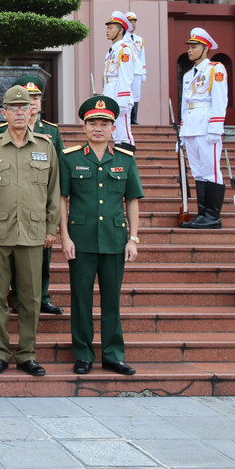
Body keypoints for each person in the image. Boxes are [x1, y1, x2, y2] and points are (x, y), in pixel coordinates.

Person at [59, 96, 143, 376]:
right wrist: (65, 237)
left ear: (113, 128)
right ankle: (83, 354)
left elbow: (132, 200)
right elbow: (61, 198)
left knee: (112, 300)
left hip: (114, 239)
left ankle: (113, 355)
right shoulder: (70, 158)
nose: (98, 128)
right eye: (92, 123)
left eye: (104, 123)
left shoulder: (125, 159)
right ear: (84, 127)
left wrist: (134, 238)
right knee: (81, 299)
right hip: (81, 240)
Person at [0, 85, 59, 377]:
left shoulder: (45, 146)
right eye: (13, 109)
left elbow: (54, 192)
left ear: (32, 111)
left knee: (30, 298)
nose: (19, 113)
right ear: (3, 113)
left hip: (32, 233)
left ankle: (27, 353)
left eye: (24, 108)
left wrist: (51, 229)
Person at [0, 75, 65, 315]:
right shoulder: (0, 132)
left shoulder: (51, 133)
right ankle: (17, 296)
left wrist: (53, 218)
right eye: (27, 99)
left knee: (42, 260)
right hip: (9, 210)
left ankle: (42, 295)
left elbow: (57, 172)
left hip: (38, 206)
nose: (32, 103)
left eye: (35, 98)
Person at [180, 27, 229, 229]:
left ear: (205, 48)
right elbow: (185, 105)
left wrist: (216, 128)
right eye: (189, 46)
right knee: (198, 172)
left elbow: (220, 100)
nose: (190, 50)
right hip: (191, 126)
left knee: (211, 170)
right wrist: (182, 134)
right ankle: (202, 214)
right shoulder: (188, 75)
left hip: (207, 125)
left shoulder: (215, 69)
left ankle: (213, 216)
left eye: (195, 46)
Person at [101, 11, 136, 151]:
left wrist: (123, 100)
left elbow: (126, 76)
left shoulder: (125, 50)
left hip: (120, 93)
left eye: (111, 28)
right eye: (107, 28)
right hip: (111, 91)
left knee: (124, 133)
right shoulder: (112, 50)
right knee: (116, 134)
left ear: (121, 30)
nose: (107, 31)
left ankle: (129, 168)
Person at [126, 12, 146, 124]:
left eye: (134, 21)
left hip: (137, 70)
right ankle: (127, 117)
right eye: (130, 21)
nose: (133, 24)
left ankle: (134, 118)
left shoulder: (140, 39)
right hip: (127, 69)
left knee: (136, 94)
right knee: (127, 93)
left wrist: (143, 71)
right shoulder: (122, 38)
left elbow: (142, 56)